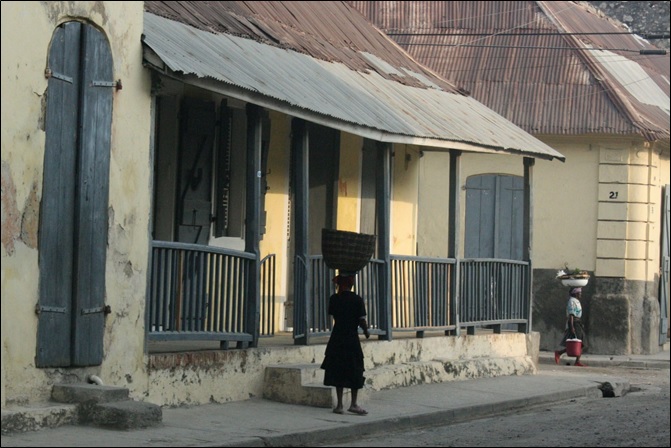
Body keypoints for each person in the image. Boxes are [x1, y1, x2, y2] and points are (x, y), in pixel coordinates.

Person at [320, 273, 370, 415]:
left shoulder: (334, 299)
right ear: (350, 284)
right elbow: (361, 320)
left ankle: (340, 405)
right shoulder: (357, 300)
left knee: (338, 369)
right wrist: (366, 332)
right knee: (355, 369)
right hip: (351, 338)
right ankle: (354, 404)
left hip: (337, 338)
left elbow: (334, 314)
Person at [555, 287, 587, 366]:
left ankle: (562, 354)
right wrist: (572, 327)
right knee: (580, 342)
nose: (580, 294)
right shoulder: (572, 301)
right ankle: (560, 353)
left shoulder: (576, 301)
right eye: (579, 293)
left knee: (581, 343)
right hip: (574, 323)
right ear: (576, 293)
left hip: (577, 322)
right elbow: (571, 315)